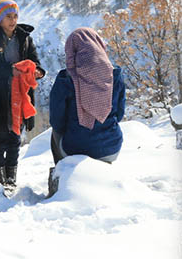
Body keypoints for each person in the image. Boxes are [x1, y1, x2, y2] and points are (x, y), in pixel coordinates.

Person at [0, 0, 44, 187]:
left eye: (15, 16)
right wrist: (10, 71)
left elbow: (35, 61)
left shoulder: (24, 38)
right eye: (8, 17)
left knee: (15, 138)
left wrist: (37, 71)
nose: (13, 21)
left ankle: (11, 178)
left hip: (20, 95)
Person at [49, 27, 126, 165]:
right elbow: (119, 114)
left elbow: (56, 121)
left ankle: (62, 173)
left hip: (74, 149)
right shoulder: (115, 76)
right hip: (112, 147)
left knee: (54, 132)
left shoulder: (66, 79)